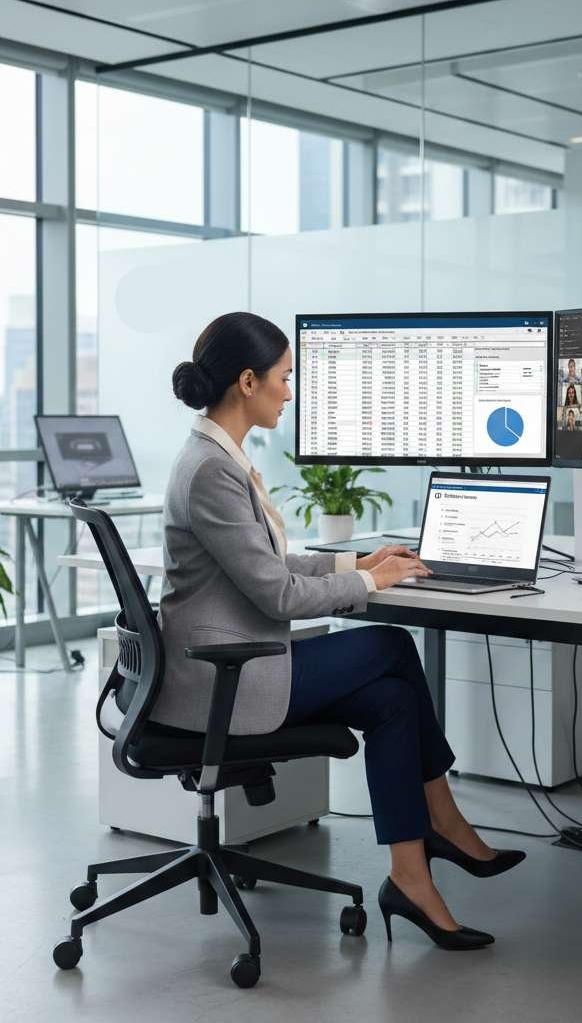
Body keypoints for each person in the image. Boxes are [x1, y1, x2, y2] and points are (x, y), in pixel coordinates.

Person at [162, 312, 523, 950]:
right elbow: (276, 592)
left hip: (239, 660)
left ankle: (411, 876)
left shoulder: (219, 454)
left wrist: (358, 563)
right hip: (227, 677)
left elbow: (268, 563)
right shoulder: (212, 471)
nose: (290, 392)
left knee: (392, 700)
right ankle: (442, 816)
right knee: (391, 643)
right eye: (284, 377)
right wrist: (372, 585)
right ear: (248, 382)